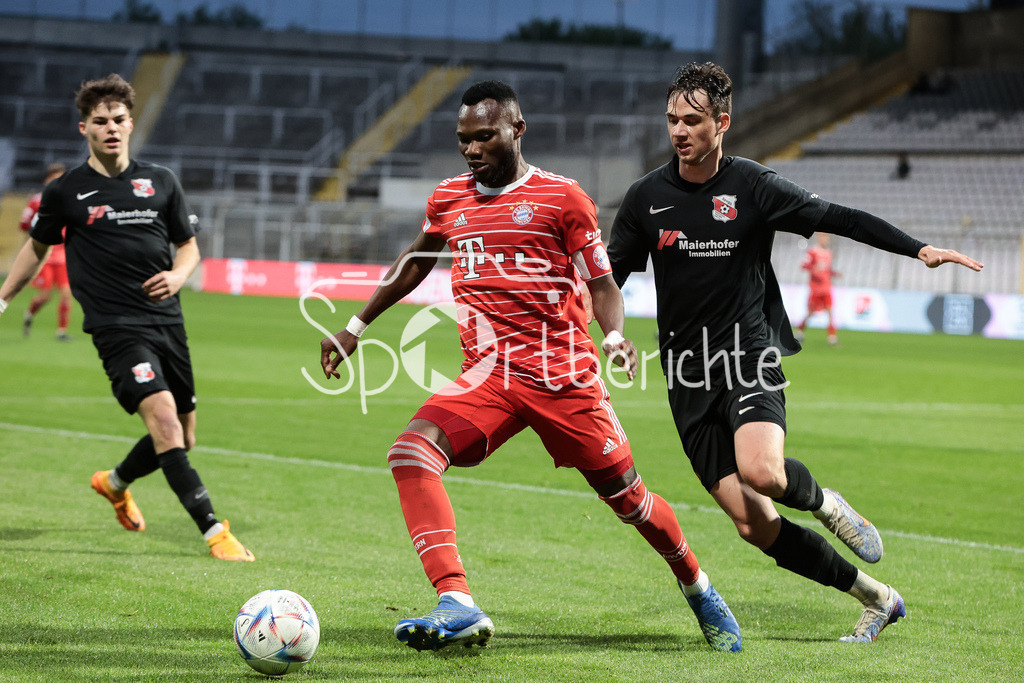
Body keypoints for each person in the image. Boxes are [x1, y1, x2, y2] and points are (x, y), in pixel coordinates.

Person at [319, 80, 741, 653]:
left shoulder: (563, 198)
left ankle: (698, 584)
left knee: (630, 500)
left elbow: (603, 284)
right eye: (463, 139)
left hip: (563, 377)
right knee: (411, 451)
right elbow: (417, 260)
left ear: (516, 130)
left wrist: (614, 335)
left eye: (484, 136)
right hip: (487, 374)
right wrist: (355, 327)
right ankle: (457, 601)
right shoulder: (448, 198)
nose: (471, 149)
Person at [607, 62, 983, 644]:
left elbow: (839, 216)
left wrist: (918, 249)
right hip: (686, 375)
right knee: (753, 524)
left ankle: (827, 503)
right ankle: (877, 598)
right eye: (672, 121)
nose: (679, 132)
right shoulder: (646, 198)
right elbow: (607, 280)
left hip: (748, 355)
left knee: (763, 471)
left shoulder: (752, 186)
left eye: (692, 120)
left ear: (722, 122)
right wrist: (612, 334)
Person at [0, 73, 253, 562]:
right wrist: (4, 297)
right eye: (100, 122)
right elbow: (36, 249)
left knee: (185, 434)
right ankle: (215, 533)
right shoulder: (66, 192)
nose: (110, 128)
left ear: (131, 123)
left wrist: (179, 276)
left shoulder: (161, 181)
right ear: (84, 129)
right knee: (162, 418)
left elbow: (189, 247)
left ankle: (114, 483)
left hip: (168, 323)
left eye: (118, 120)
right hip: (116, 328)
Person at [19, 162, 74, 341]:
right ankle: (29, 313)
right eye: (55, 176)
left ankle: (61, 331)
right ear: (47, 179)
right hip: (45, 256)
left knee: (66, 293)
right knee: (45, 296)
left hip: (63, 256)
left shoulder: (70, 199)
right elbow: (24, 224)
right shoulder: (37, 200)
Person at [795, 232, 840, 345]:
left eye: (827, 237)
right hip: (815, 288)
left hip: (826, 287)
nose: (825, 239)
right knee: (810, 313)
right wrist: (813, 268)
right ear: (819, 238)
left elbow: (827, 270)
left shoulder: (829, 253)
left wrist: (835, 274)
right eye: (823, 237)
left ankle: (832, 336)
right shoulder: (813, 252)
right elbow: (804, 265)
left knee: (830, 311)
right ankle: (799, 331)